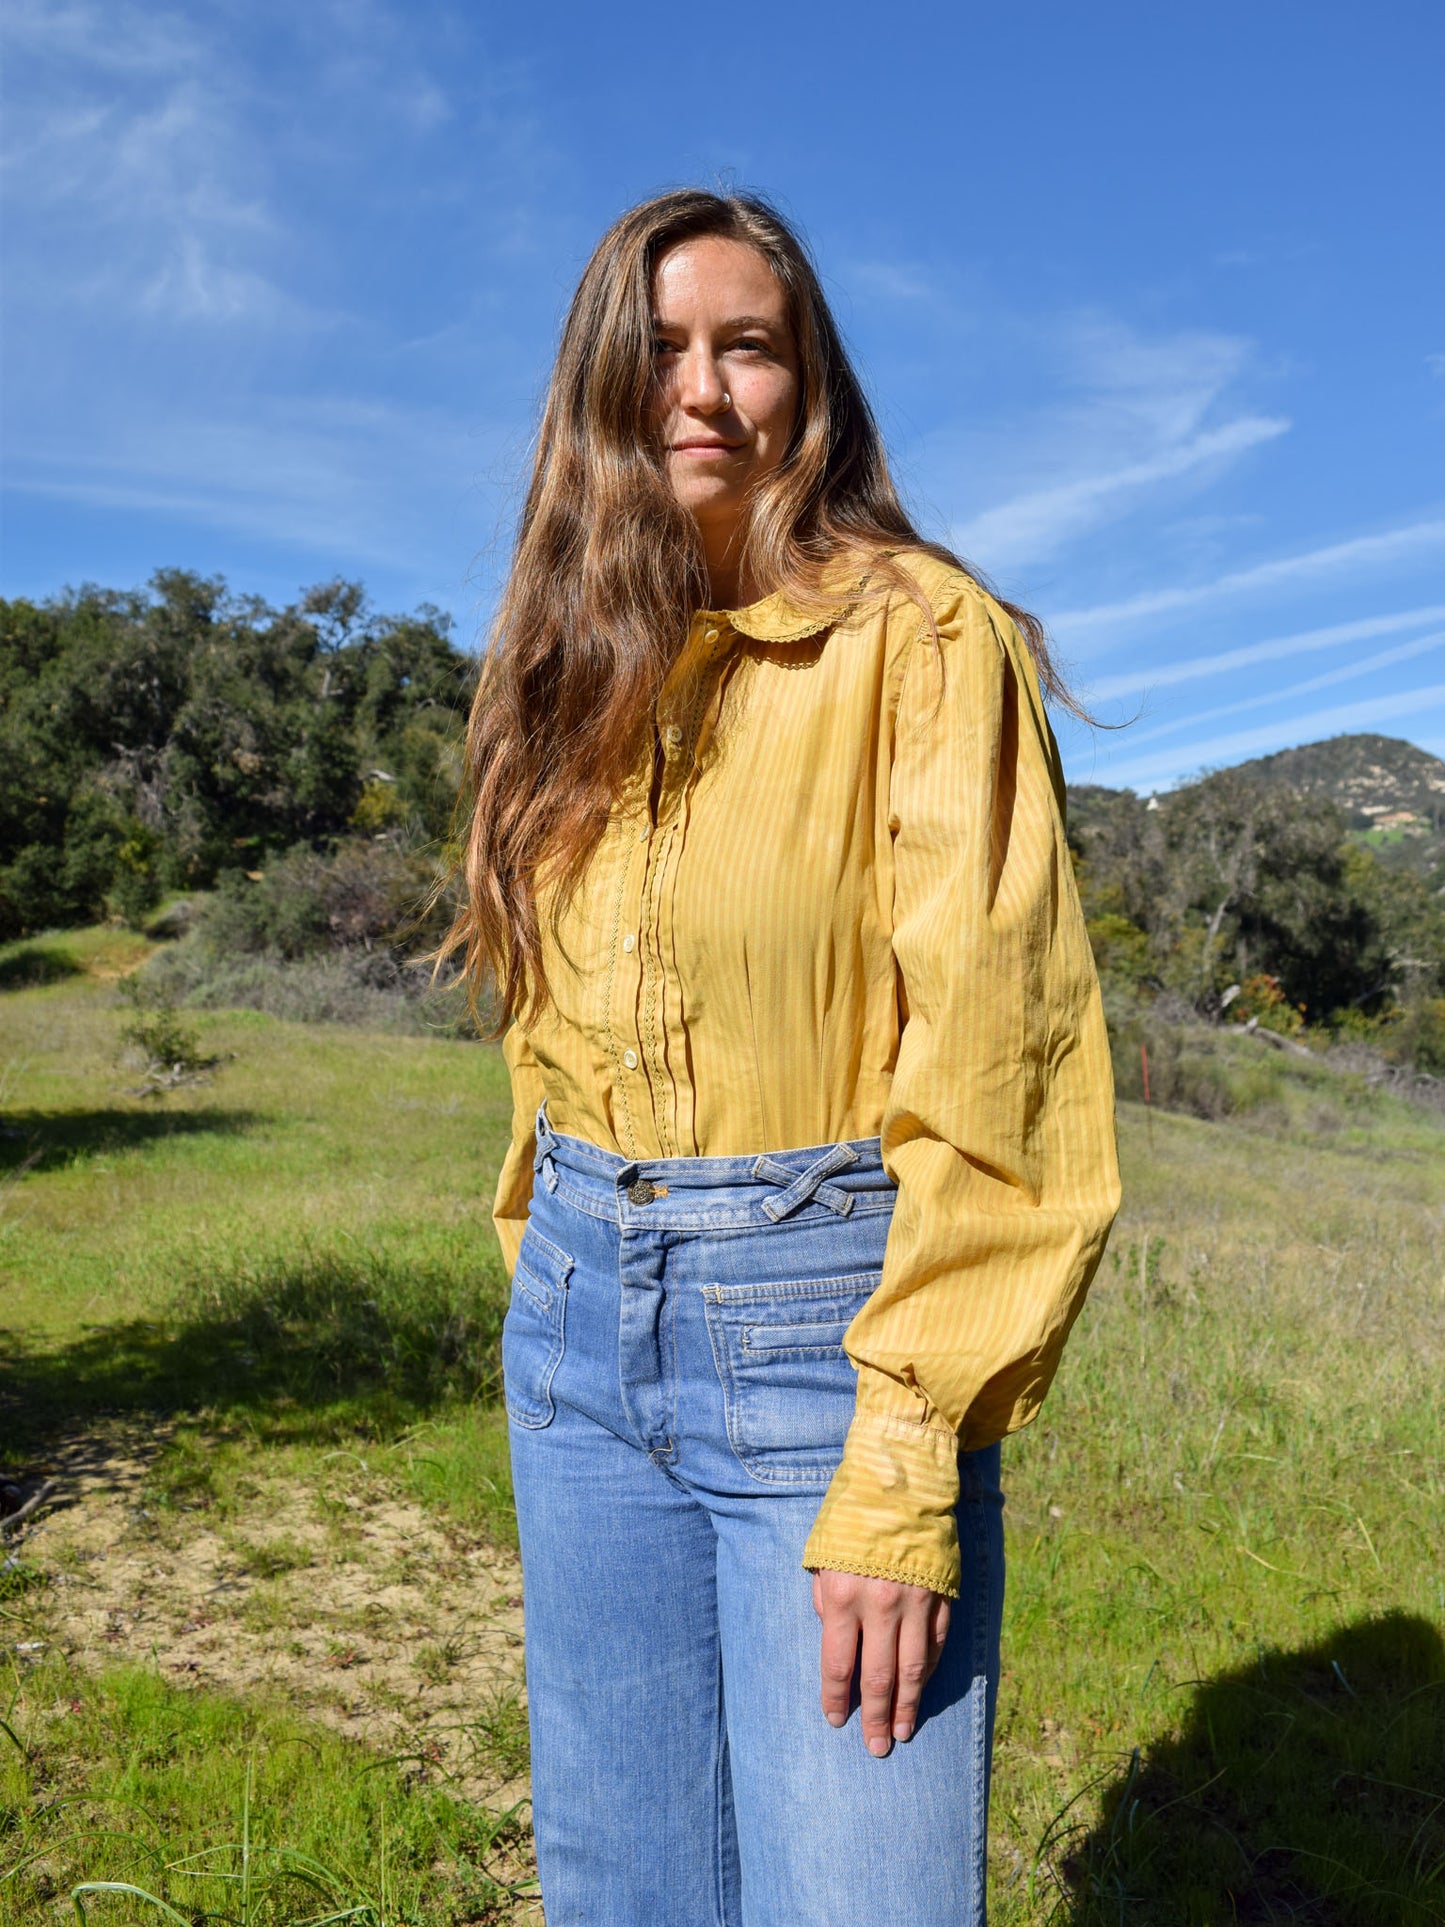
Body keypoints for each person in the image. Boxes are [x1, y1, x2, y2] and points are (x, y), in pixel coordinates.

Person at [443, 189, 1121, 1927]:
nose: (701, 389)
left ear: (804, 384)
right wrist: (553, 1247)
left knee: (858, 1897)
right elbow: (544, 1018)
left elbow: (1003, 1061)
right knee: (627, 1889)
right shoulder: (565, 670)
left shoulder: (920, 638)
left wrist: (904, 1457)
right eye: (658, 349)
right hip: (581, 1336)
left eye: (745, 346)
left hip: (825, 1338)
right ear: (599, 383)